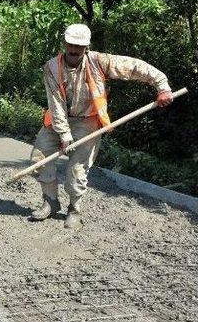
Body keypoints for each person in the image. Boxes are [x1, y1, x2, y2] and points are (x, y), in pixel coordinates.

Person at [30, 24, 174, 229]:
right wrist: (64, 135)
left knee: (76, 169)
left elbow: (134, 66)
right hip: (58, 118)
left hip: (88, 121)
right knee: (39, 158)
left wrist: (162, 85)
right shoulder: (52, 67)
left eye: (78, 46)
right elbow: (56, 104)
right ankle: (50, 202)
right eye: (70, 44)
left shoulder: (99, 61)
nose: (73, 50)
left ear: (86, 47)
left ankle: (74, 209)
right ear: (64, 43)